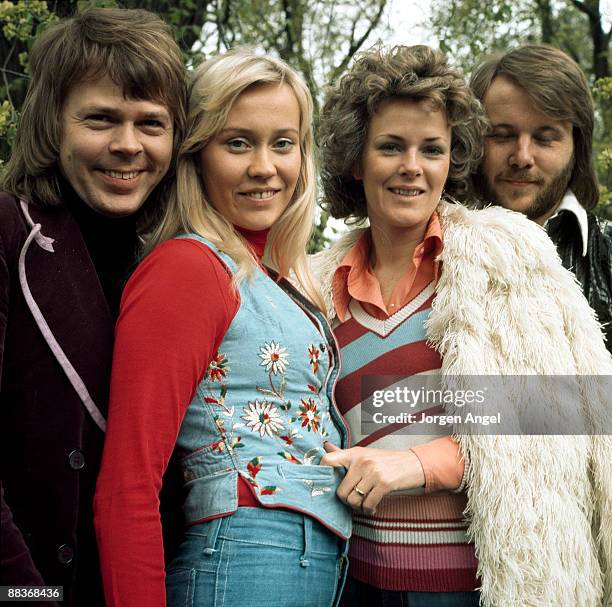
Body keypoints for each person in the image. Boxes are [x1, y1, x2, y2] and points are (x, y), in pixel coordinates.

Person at [314, 44, 612, 606]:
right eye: (390, 147)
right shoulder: (315, 285)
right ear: (357, 159)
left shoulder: (504, 252)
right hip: (354, 581)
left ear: (453, 160)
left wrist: (418, 464)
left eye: (432, 149)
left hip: (477, 584)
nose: (412, 166)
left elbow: (558, 412)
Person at [94, 49, 351, 607]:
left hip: (309, 562)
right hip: (243, 557)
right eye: (238, 142)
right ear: (197, 155)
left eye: (283, 143)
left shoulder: (273, 277)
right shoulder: (187, 267)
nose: (265, 167)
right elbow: (128, 481)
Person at [0, 8, 186, 606]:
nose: (127, 145)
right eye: (101, 119)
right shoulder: (8, 232)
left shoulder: (185, 261)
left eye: (150, 124)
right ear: (53, 122)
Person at [469, 44, 612, 352]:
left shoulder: (609, 256)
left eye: (545, 138)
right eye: (501, 134)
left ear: (577, 145)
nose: (522, 157)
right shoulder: (423, 253)